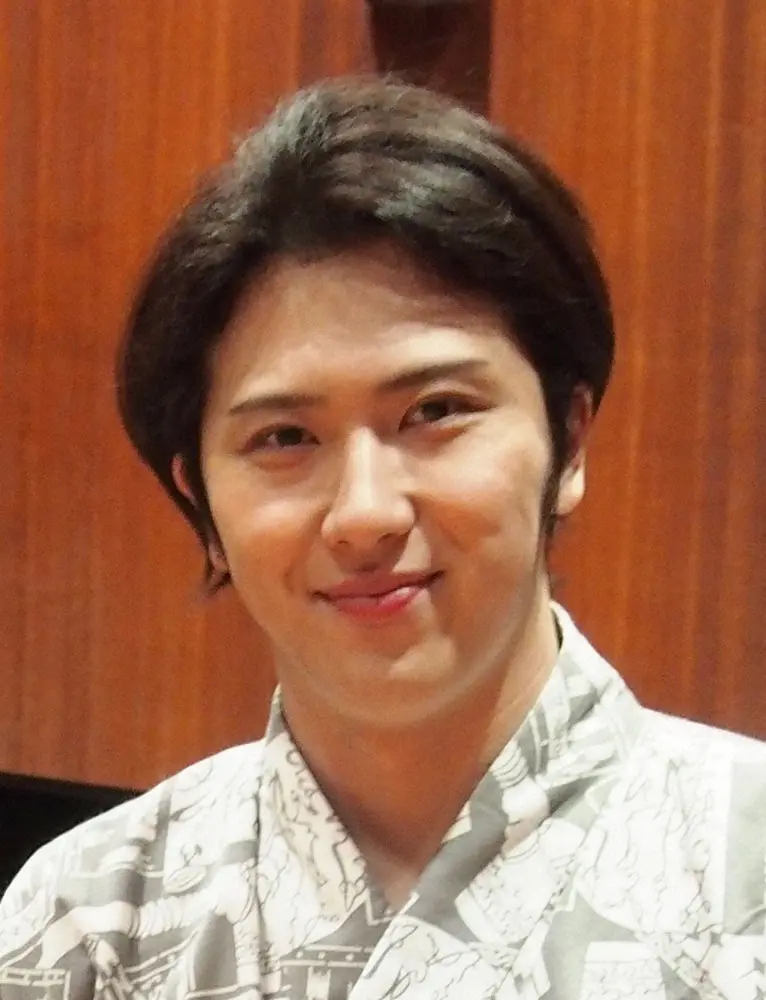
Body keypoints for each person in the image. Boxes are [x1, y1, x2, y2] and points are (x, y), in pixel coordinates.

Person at [0, 77, 763, 1000]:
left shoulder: (747, 880)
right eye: (285, 437)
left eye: (436, 411)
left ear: (569, 442)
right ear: (201, 502)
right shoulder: (87, 926)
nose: (364, 513)